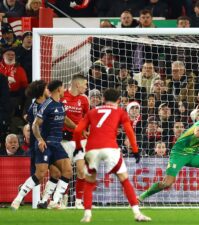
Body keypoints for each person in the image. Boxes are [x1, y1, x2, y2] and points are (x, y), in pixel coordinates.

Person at [73, 88, 150, 222]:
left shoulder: (92, 111)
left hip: (92, 149)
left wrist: (78, 147)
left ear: (103, 99)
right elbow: (129, 132)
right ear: (119, 101)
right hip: (110, 148)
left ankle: (87, 214)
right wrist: (136, 150)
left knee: (90, 182)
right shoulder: (120, 112)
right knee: (124, 180)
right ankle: (137, 213)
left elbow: (78, 130)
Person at [138, 112, 199, 202]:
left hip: (192, 156)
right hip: (179, 154)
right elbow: (197, 133)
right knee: (167, 183)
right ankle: (141, 197)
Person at [11, 80, 75, 210]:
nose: (48, 91)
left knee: (58, 173)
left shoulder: (55, 104)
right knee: (40, 175)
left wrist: (78, 128)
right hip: (41, 145)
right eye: (46, 89)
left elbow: (63, 118)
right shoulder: (37, 107)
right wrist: (39, 140)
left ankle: (48, 201)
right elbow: (34, 125)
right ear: (41, 92)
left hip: (53, 144)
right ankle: (21, 196)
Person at [59, 74, 89, 209]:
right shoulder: (62, 97)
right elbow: (62, 118)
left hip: (80, 140)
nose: (86, 87)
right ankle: (61, 199)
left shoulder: (84, 99)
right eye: (85, 84)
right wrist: (78, 128)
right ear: (77, 84)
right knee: (65, 171)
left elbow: (88, 118)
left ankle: (78, 201)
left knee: (81, 171)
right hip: (65, 139)